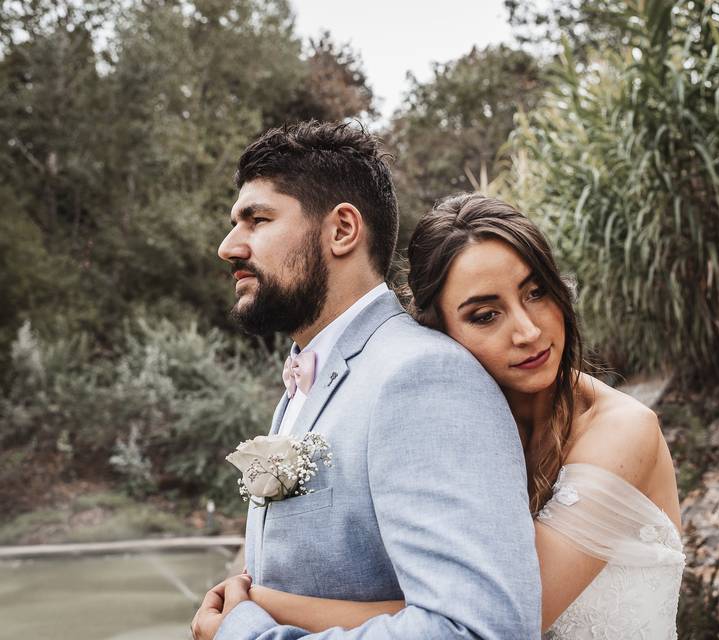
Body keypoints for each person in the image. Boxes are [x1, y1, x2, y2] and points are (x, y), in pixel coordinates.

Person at [226, 193, 686, 638]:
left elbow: (503, 618)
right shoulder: (444, 430)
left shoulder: (623, 430)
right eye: (486, 315)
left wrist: (254, 607)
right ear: (438, 332)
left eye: (536, 292)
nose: (527, 331)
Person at [189, 124, 541, 640]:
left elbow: (480, 630)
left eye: (257, 220)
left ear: (342, 230)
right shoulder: (307, 380)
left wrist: (245, 634)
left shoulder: (421, 377)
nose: (229, 246)